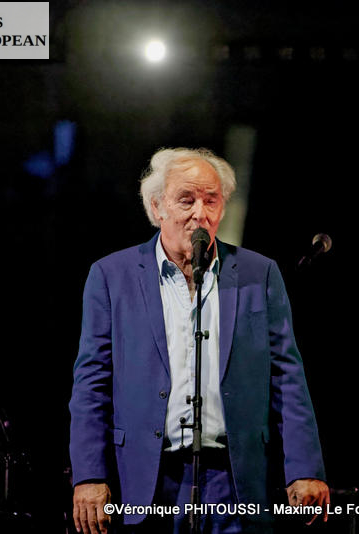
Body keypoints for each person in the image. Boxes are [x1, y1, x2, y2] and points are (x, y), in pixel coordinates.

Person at [69, 147, 329, 534]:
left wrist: (305, 468)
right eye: (186, 200)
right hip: (146, 477)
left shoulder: (260, 273)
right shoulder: (111, 276)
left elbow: (287, 376)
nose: (200, 213)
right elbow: (92, 382)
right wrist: (89, 475)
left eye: (211, 200)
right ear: (156, 207)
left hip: (235, 480)